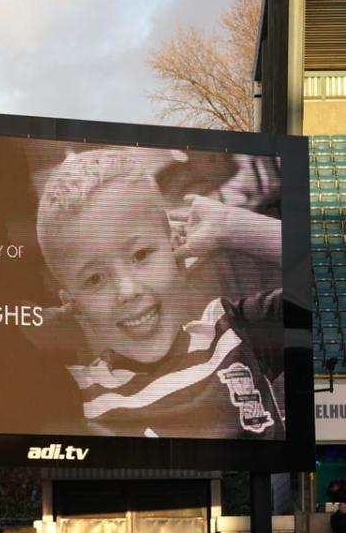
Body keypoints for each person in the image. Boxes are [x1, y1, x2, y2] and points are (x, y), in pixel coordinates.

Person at [35, 148, 284, 439]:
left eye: (140, 255)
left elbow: (332, 282)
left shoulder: (236, 332)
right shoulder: (80, 393)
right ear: (73, 305)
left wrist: (231, 226)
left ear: (175, 245)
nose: (127, 291)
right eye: (94, 279)